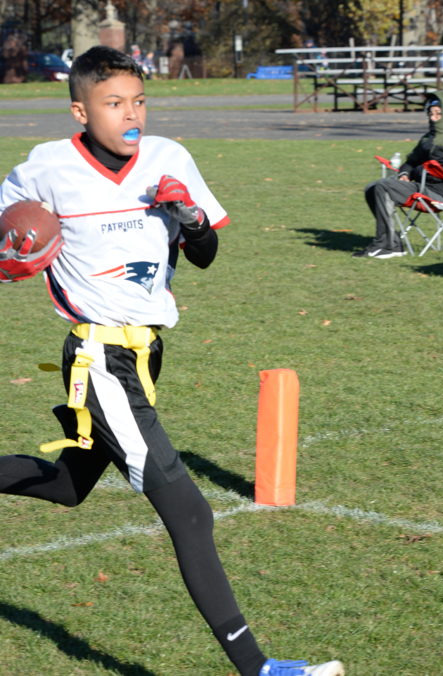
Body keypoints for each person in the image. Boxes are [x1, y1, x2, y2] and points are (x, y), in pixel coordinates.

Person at [0, 46, 344, 676]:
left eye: (138, 100)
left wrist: (191, 218)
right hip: (99, 359)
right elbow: (9, 234)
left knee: (67, 486)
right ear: (80, 111)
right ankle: (258, 668)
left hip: (146, 353)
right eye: (113, 103)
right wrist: (14, 250)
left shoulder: (169, 157)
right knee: (190, 512)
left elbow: (205, 253)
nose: (130, 113)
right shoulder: (47, 167)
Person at [353, 91, 443, 259]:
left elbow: (427, 169)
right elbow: (411, 162)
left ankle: (387, 246)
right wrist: (405, 173)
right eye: (430, 113)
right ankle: (392, 242)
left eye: (438, 114)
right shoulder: (429, 138)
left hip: (442, 194)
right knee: (372, 187)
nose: (433, 118)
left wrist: (423, 171)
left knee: (384, 187)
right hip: (423, 187)